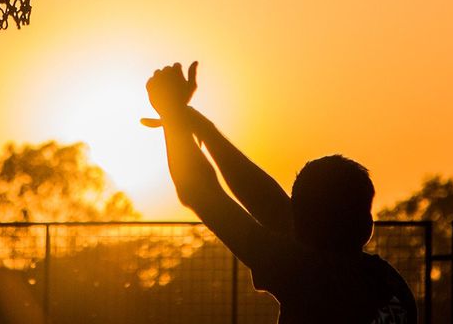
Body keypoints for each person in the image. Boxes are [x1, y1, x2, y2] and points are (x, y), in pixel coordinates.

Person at [143, 62, 416, 324]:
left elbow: (200, 192)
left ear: (302, 223)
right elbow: (269, 204)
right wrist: (199, 126)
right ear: (366, 225)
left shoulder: (303, 273)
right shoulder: (390, 284)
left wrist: (172, 113)